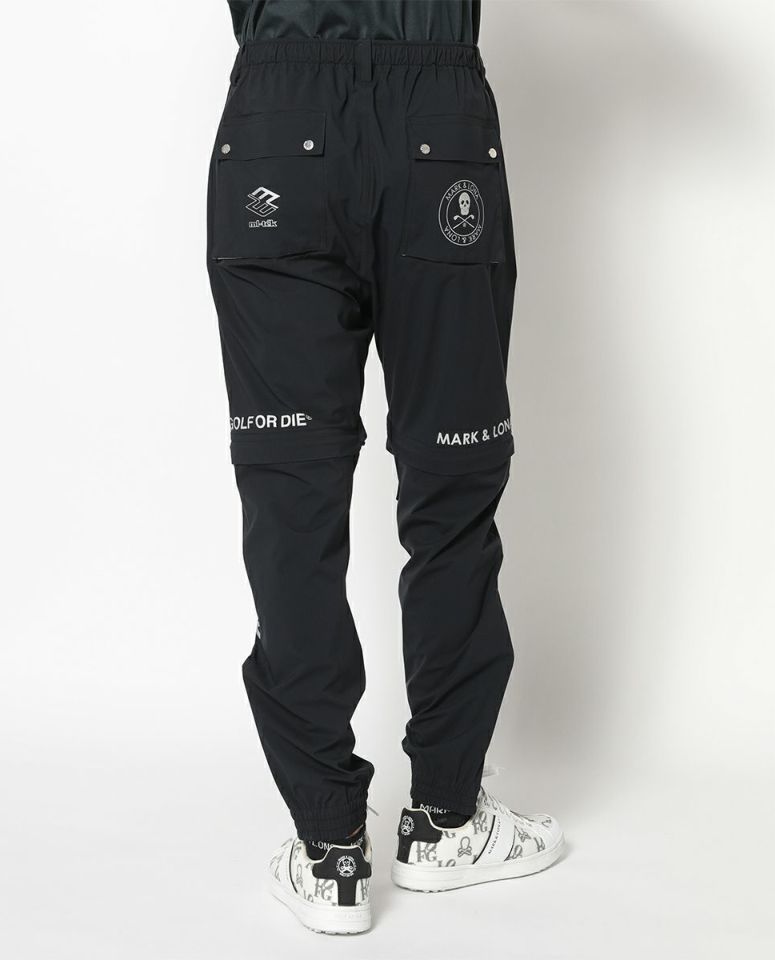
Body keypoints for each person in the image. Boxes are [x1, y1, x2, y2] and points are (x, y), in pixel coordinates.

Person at [207, 0, 563, 934]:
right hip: (435, 119)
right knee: (452, 488)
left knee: (291, 496)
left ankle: (329, 848)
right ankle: (445, 820)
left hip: (279, 125)